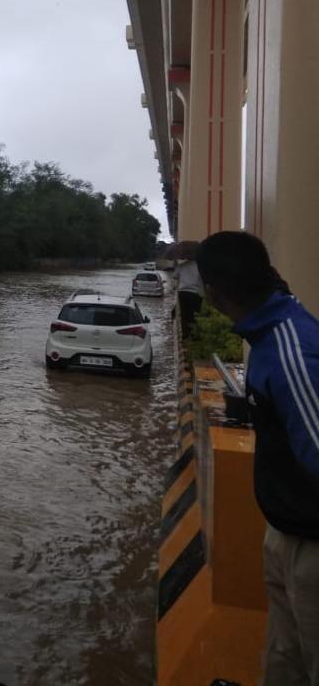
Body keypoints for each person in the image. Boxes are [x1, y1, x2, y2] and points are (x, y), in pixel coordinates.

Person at [196, 231, 319, 686]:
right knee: (285, 657)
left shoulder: (291, 354)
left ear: (212, 293)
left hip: (311, 549)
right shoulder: (277, 324)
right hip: (289, 532)